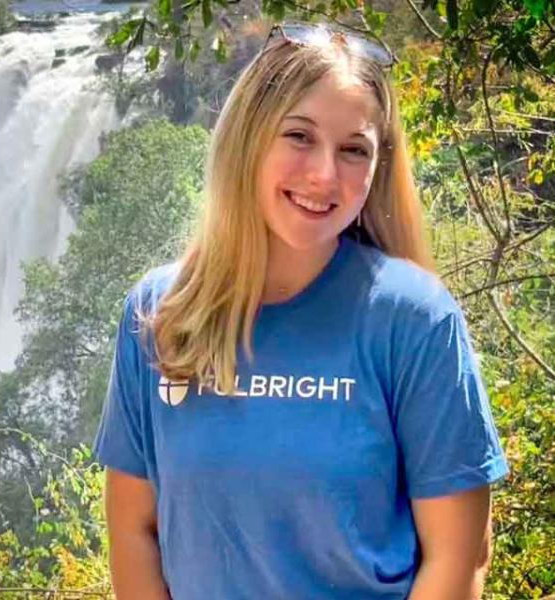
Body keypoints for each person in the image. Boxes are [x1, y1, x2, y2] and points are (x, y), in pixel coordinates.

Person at [92, 21, 510, 600]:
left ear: (377, 167)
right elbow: (134, 530)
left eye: (353, 150)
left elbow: (459, 556)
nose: (324, 175)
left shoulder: (413, 319)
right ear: (248, 137)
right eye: (298, 136)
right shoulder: (159, 313)